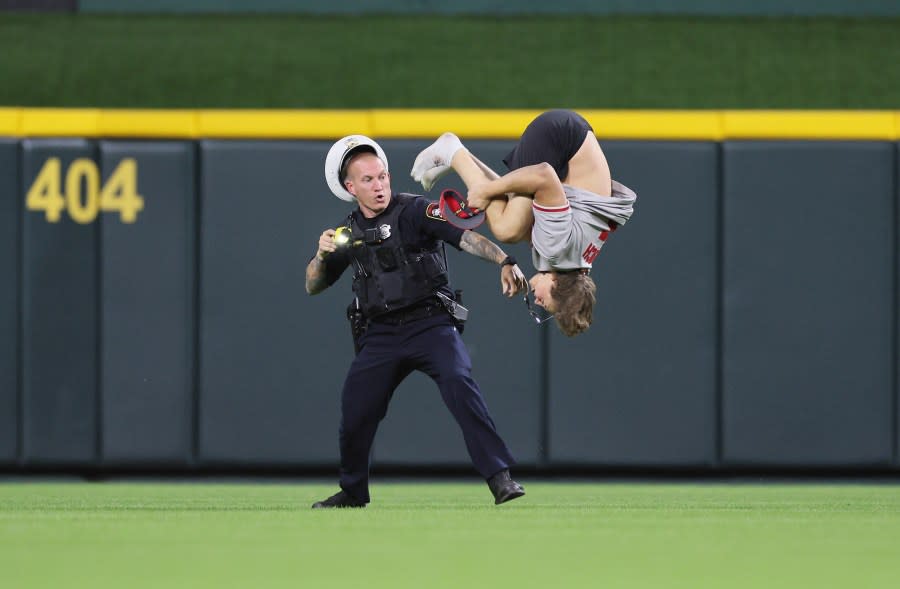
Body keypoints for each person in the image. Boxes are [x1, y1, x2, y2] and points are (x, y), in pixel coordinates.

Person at [306, 134, 529, 508]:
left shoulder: (413, 211)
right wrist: (320, 255)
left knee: (460, 382)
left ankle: (500, 478)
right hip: (380, 335)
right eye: (368, 180)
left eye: (382, 176)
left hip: (430, 325)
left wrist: (505, 260)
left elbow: (464, 237)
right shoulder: (347, 234)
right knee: (356, 407)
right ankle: (353, 490)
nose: (379, 186)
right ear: (350, 187)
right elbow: (313, 285)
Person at [410, 109, 637, 337]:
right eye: (547, 305)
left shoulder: (574, 265)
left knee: (516, 221)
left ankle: (460, 156)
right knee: (507, 229)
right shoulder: (557, 251)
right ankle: (453, 152)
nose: (538, 301)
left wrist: (505, 262)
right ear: (556, 284)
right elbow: (544, 175)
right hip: (560, 139)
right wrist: (486, 191)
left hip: (571, 138)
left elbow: (528, 203)